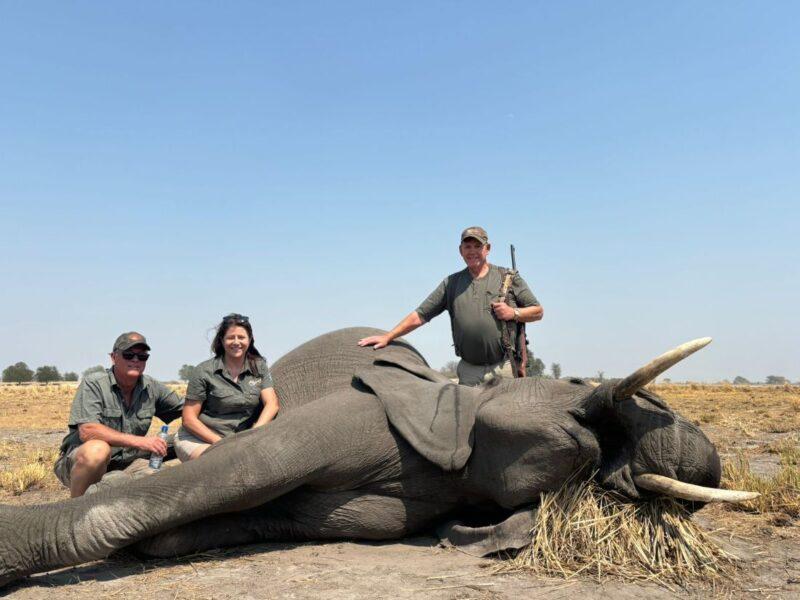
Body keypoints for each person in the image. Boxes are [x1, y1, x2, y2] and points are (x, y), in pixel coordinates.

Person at [358, 226, 544, 386]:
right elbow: (420, 315)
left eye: (477, 246)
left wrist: (513, 312)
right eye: (467, 246)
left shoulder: (508, 277)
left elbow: (538, 311)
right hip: (469, 371)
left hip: (503, 368)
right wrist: (388, 336)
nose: (472, 251)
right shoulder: (451, 284)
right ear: (460, 250)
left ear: (487, 249)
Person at [54, 332, 184, 497]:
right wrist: (142, 442)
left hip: (128, 462)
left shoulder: (152, 387)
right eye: (129, 355)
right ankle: (76, 507)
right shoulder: (94, 383)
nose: (136, 360)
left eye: (142, 356)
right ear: (114, 357)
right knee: (97, 450)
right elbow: (88, 431)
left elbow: (188, 408)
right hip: (82, 462)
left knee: (168, 477)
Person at [175, 313, 280, 461]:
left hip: (241, 440)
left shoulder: (259, 367)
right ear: (222, 340)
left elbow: (272, 404)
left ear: (250, 340)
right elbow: (188, 419)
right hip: (200, 439)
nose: (236, 342)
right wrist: (222, 444)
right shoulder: (204, 371)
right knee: (221, 463)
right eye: (231, 337)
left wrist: (254, 434)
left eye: (241, 337)